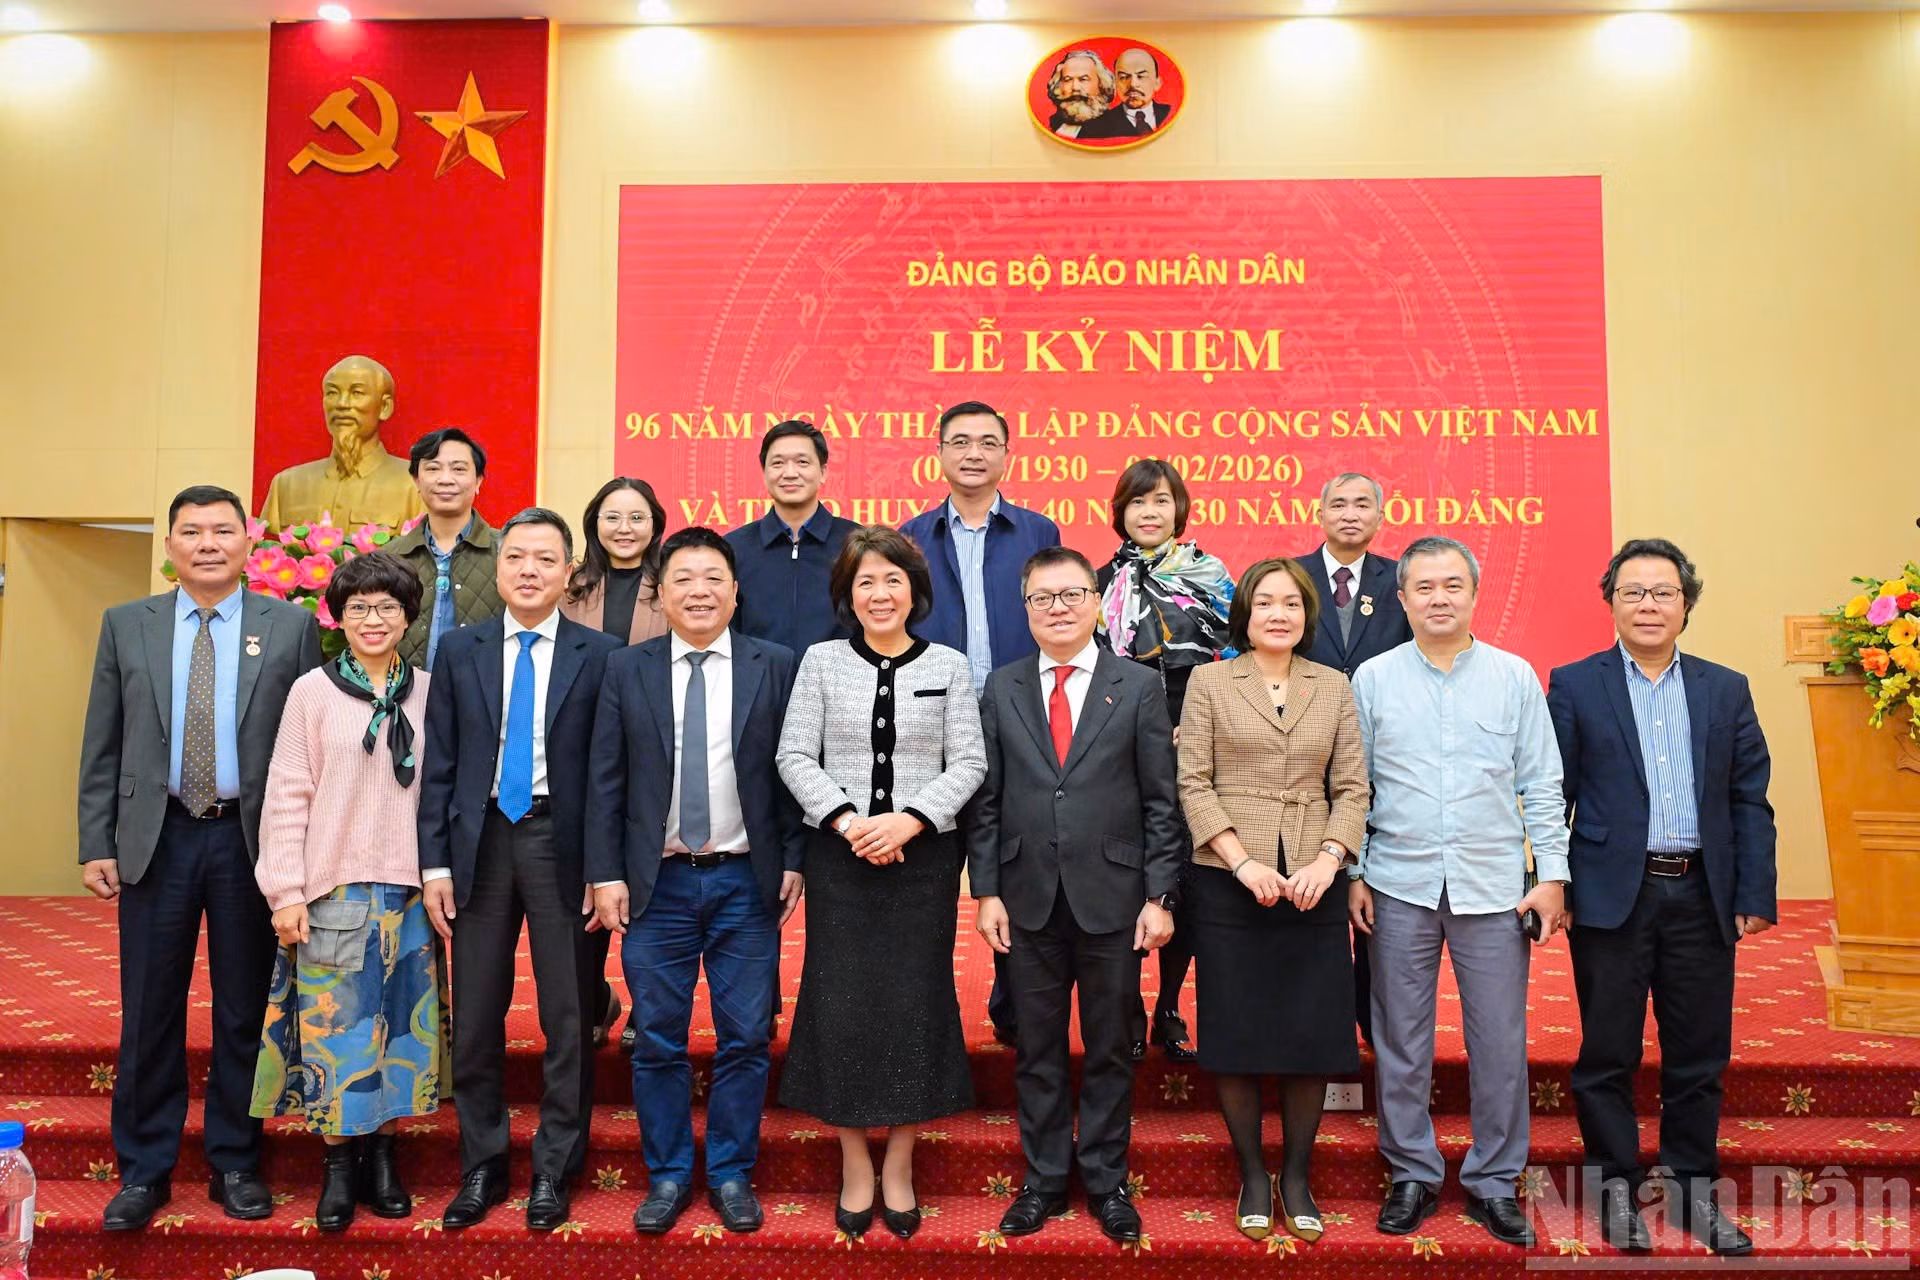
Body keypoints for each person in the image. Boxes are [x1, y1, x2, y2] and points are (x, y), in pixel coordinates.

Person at [78, 484, 324, 1231]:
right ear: (170, 547)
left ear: (249, 543)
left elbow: (307, 743)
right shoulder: (127, 624)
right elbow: (102, 739)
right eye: (192, 532)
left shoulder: (291, 627)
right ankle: (144, 1170)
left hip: (249, 840)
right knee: (149, 1009)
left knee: (244, 1008)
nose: (208, 543)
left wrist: (302, 854)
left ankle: (236, 1162)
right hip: (158, 836)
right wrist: (96, 840)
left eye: (222, 530)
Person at [1547, 539, 1776, 1258]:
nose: (1648, 605)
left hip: (1702, 894)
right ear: (1611, 603)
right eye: (1633, 592)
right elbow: (1553, 795)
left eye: (1663, 593)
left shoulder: (1725, 688)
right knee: (1607, 1052)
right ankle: (1613, 1189)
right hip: (1610, 895)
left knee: (1700, 1054)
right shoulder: (1575, 685)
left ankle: (1691, 1190)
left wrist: (1753, 890)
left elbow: (1749, 798)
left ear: (1686, 604)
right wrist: (1554, 881)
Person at [1349, 535, 1570, 1249]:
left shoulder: (1513, 676)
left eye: (1453, 585)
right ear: (1402, 598)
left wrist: (1551, 877)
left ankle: (1495, 1180)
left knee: (1499, 1041)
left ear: (1474, 594)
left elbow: (1543, 785)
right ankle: (1411, 1172)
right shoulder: (1374, 678)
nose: (1439, 598)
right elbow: (1353, 786)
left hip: (1495, 888)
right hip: (1397, 883)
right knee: (1401, 1040)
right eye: (1424, 587)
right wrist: (1354, 873)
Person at [585, 528, 805, 1237]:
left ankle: (732, 1171)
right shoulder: (627, 667)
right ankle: (670, 1173)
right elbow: (605, 779)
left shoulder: (775, 664)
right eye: (683, 578)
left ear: (736, 592)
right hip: (658, 884)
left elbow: (793, 771)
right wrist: (605, 873)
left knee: (744, 1035)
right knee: (658, 1037)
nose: (700, 591)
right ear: (662, 592)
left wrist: (794, 857)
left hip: (746, 880)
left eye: (714, 578)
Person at [775, 526, 986, 1241]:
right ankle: (853, 1161)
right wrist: (848, 821)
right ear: (848, 593)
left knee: (913, 1002)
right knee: (840, 1002)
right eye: (866, 581)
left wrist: (909, 821)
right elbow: (795, 754)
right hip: (840, 858)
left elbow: (969, 762)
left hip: (922, 862)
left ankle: (899, 1161)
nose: (880, 593)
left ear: (914, 591)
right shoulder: (822, 661)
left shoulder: (949, 665)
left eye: (893, 580)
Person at [968, 547, 1184, 1245]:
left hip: (1115, 897)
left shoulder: (1138, 685)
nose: (1057, 608)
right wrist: (986, 890)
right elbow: (987, 801)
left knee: (1110, 1046)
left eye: (1071, 595)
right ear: (1026, 608)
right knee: (1036, 1048)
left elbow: (1161, 801)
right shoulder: (1002, 686)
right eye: (1042, 598)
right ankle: (1043, 1180)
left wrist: (1160, 896)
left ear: (1096, 601)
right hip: (1026, 897)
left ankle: (1106, 1180)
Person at [417, 508, 623, 1232]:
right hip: (478, 843)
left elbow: (608, 774)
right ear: (498, 569)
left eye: (544, 558)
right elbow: (439, 765)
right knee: (476, 1015)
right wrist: (434, 863)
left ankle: (555, 1167)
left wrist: (604, 866)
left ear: (569, 573)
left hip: (560, 839)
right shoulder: (459, 650)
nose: (529, 570)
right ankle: (483, 1163)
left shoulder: (602, 655)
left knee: (568, 1016)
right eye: (515, 557)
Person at [250, 550, 444, 1233]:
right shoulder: (312, 692)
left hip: (412, 892)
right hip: (333, 890)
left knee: (401, 1034)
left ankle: (384, 1158)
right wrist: (285, 891)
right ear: (338, 616)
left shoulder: (429, 691)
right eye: (358, 606)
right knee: (337, 1037)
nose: (373, 618)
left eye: (387, 606)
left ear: (408, 617)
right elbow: (286, 795)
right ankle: (338, 1166)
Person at [1177, 558, 1368, 1244]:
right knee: (1237, 1028)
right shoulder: (1209, 681)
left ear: (1306, 615)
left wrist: (1330, 859)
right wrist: (1242, 861)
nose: (1278, 614)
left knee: (1310, 1032)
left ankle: (1296, 1175)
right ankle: (1253, 1173)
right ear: (1245, 614)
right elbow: (1193, 782)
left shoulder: (1333, 685)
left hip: (1315, 880)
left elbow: (1352, 787)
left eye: (1291, 603)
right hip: (1230, 877)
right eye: (1265, 603)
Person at [900, 400, 1060, 1044]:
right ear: (939, 453)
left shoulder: (1038, 532)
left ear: (1007, 456)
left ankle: (1015, 1007)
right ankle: (925, 1016)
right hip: (931, 721)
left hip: (1019, 715)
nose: (974, 453)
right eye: (960, 441)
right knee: (931, 866)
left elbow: (1058, 617)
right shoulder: (912, 535)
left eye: (988, 442)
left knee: (1019, 860)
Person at [1096, 458, 1233, 1062]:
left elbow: (1234, 657)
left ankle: (1169, 1005)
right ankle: (1127, 1006)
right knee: (1127, 876)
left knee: (1187, 877)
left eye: (1160, 501)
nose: (1149, 513)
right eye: (1137, 502)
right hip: (1121, 737)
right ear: (1120, 512)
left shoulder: (1212, 575)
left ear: (1179, 508)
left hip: (1195, 735)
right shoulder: (1098, 581)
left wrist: (1199, 726)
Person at [1295, 471, 1411, 1048]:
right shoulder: (1292, 577)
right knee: (1309, 895)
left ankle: (1371, 1018)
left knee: (1375, 902)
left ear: (1380, 517)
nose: (1349, 513)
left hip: (1383, 759)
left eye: (1362, 504)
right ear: (1319, 514)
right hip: (1301, 758)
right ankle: (1315, 1020)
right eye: (1338, 504)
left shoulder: (1403, 581)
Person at [562, 477, 672, 1053]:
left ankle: (645, 1008)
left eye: (636, 517)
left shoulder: (673, 585)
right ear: (593, 524)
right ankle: (592, 1001)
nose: (624, 529)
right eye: (612, 517)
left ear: (655, 524)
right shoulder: (570, 587)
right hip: (578, 753)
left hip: (653, 754)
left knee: (647, 892)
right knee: (583, 891)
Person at [726, 419, 858, 656]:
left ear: (823, 472)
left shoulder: (856, 543)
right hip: (759, 678)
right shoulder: (733, 548)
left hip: (841, 677)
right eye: (777, 463)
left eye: (802, 462)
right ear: (764, 473)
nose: (789, 473)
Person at [259, 354, 426, 530]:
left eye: (356, 393)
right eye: (332, 393)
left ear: (384, 407)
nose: (342, 404)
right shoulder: (286, 486)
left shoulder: (415, 485)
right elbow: (263, 545)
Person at [383, 428, 501, 670]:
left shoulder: (509, 553)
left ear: (478, 481)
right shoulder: (388, 559)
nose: (445, 479)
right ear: (416, 480)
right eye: (433, 468)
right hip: (406, 690)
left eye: (458, 469)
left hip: (481, 690)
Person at [1078, 48, 1173, 138]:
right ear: (1115, 83)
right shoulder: (1094, 127)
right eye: (1124, 77)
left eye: (1141, 76)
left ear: (1157, 83)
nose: (1133, 84)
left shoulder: (1172, 114)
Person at [1043, 49, 1114, 139]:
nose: (1075, 87)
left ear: (1101, 84)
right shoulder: (1053, 123)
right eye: (1068, 80)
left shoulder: (1114, 126)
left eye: (1083, 79)